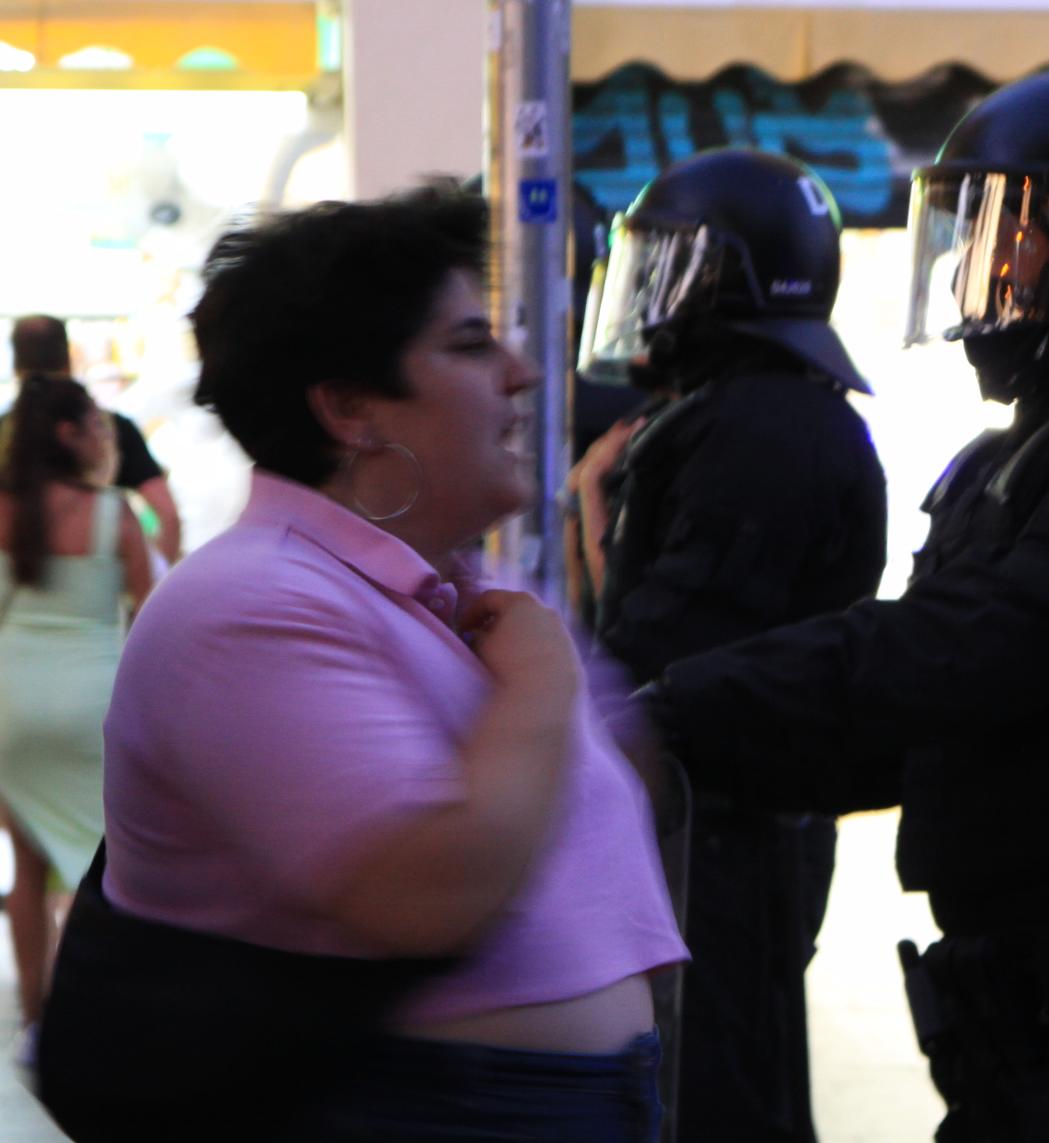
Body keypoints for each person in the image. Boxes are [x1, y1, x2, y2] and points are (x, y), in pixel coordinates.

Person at [639, 67, 1049, 1142]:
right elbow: (918, 735)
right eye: (969, 231)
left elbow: (961, 654)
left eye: (1009, 233)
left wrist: (671, 708)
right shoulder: (1026, 455)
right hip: (1014, 1036)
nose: (971, 266)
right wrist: (691, 749)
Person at [35, 187, 686, 1139]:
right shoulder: (249, 608)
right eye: (469, 344)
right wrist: (542, 681)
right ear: (348, 407)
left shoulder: (445, 593)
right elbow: (430, 892)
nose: (522, 373)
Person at [571, 148, 888, 1143]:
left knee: (708, 1096)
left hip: (724, 836)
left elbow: (670, 650)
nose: (648, 294)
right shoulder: (749, 414)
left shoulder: (761, 428)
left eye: (672, 265)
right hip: (719, 828)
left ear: (728, 281)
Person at [0, 374, 152, 1033]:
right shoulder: (116, 514)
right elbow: (150, 619)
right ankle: (89, 1004)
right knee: (98, 860)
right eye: (95, 423)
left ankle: (35, 1010)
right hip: (93, 696)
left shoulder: (5, 509)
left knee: (29, 860)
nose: (103, 434)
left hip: (13, 693)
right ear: (69, 434)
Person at [9, 316, 183, 563]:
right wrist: (153, 582)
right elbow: (169, 515)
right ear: (68, 361)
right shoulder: (106, 427)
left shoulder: (7, 430)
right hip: (101, 591)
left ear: (16, 365)